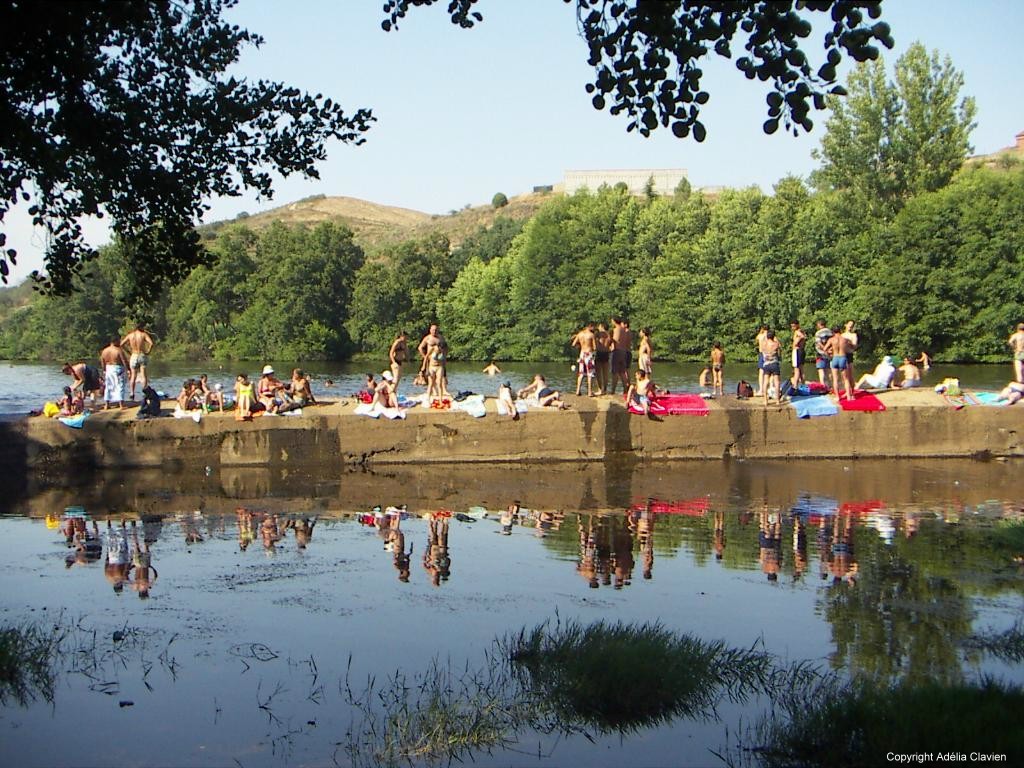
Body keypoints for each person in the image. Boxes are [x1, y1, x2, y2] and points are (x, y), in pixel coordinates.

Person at [120, 323, 155, 400]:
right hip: (141, 354)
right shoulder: (143, 334)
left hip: (133, 355)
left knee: (133, 375)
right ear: (141, 327)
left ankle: (132, 393)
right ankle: (145, 392)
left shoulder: (130, 335)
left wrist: (128, 351)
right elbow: (151, 343)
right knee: (143, 375)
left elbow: (121, 344)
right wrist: (148, 351)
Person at [99, 336, 129, 409]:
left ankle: (107, 405)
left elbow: (102, 361)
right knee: (120, 385)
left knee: (108, 386)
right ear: (115, 341)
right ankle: (121, 405)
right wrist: (128, 369)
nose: (120, 343)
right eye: (119, 341)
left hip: (108, 368)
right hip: (118, 368)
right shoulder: (118, 350)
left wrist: (104, 370)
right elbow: (124, 360)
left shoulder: (104, 351)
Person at [827, 327, 856, 401]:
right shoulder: (845, 339)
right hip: (843, 357)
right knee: (846, 379)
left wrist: (829, 353)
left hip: (835, 358)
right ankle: (849, 396)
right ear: (840, 331)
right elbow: (853, 347)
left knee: (835, 379)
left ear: (833, 332)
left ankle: (837, 397)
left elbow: (825, 349)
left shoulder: (831, 339)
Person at [417, 324, 445, 400]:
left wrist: (444, 356)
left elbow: (445, 347)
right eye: (433, 330)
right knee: (430, 382)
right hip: (430, 362)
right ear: (430, 330)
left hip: (439, 362)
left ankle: (440, 399)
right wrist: (425, 357)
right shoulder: (428, 338)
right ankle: (429, 397)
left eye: (436, 330)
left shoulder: (441, 338)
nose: (434, 331)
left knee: (439, 382)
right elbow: (420, 348)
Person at [570, 322, 597, 396]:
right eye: (593, 327)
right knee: (590, 374)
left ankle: (578, 390)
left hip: (582, 354)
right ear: (590, 326)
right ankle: (589, 392)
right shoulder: (591, 335)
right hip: (589, 354)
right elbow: (594, 347)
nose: (594, 328)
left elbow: (573, 344)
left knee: (581, 373)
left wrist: (579, 346)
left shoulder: (579, 334)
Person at [609, 317, 633, 395]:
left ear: (614, 321)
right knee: (622, 372)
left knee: (615, 372)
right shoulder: (624, 330)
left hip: (617, 351)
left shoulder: (617, 329)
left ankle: (613, 390)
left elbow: (616, 340)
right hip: (623, 351)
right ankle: (625, 389)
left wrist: (610, 339)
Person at [761, 330, 782, 406]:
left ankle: (765, 400)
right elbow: (779, 351)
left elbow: (762, 350)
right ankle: (777, 400)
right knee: (777, 382)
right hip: (774, 363)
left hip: (766, 364)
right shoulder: (775, 344)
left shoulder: (764, 344)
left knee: (765, 382)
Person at [813, 319, 833, 388]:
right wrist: (829, 350)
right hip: (830, 354)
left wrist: (824, 349)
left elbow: (819, 343)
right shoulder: (830, 332)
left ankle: (823, 386)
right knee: (828, 371)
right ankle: (830, 386)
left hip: (820, 354)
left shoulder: (818, 333)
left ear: (819, 325)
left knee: (821, 370)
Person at [594, 322, 612, 396]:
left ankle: (600, 389)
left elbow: (594, 341)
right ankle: (605, 389)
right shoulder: (609, 334)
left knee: (598, 372)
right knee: (605, 373)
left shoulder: (599, 334)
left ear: (602, 326)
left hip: (599, 352)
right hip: (606, 353)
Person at [790, 321, 807, 387]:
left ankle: (795, 386)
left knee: (796, 369)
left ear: (797, 325)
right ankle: (803, 385)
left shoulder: (797, 332)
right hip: (801, 351)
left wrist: (796, 342)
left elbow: (803, 337)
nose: (792, 327)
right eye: (792, 326)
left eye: (794, 326)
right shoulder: (801, 331)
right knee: (801, 369)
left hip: (797, 351)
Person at [754, 325, 769, 396]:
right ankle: (768, 389)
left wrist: (761, 331)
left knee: (761, 371)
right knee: (769, 372)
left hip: (762, 353)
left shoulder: (760, 336)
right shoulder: (770, 335)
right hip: (769, 354)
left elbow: (756, 340)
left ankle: (761, 390)